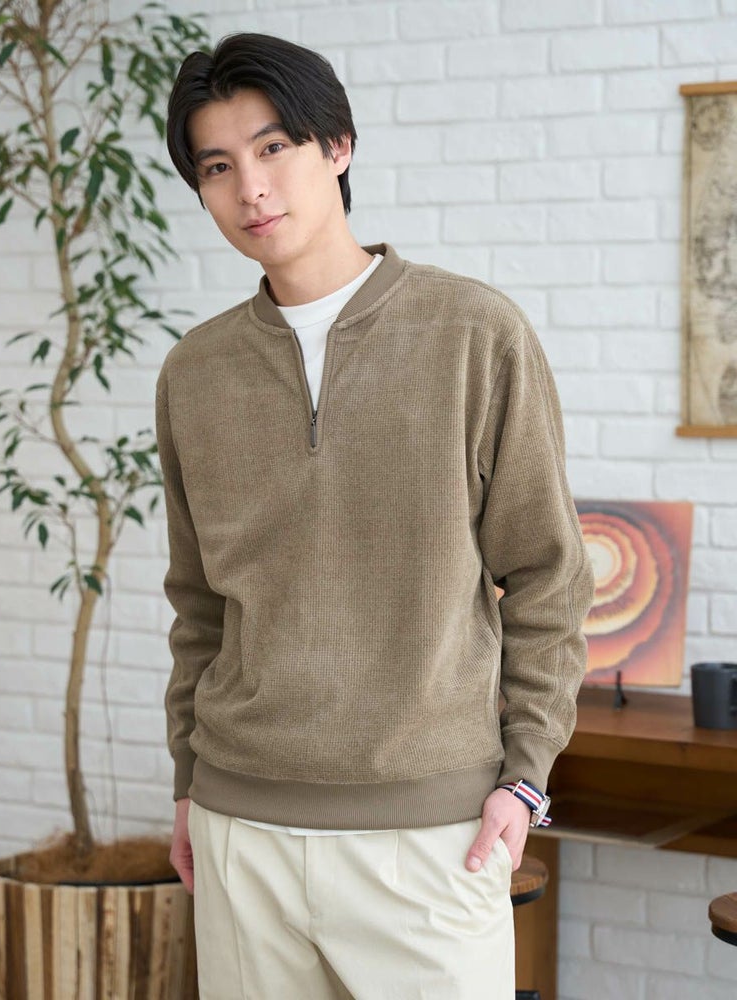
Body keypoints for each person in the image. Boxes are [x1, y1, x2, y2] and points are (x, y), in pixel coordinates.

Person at [157, 31, 594, 1000]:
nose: (250, 188)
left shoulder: (474, 333)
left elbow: (548, 576)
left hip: (429, 835)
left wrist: (525, 776)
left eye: (273, 148)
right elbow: (198, 604)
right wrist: (189, 782)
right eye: (217, 167)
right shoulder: (194, 372)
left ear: (338, 146)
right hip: (240, 830)